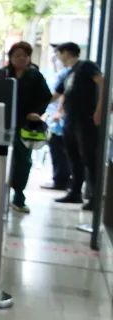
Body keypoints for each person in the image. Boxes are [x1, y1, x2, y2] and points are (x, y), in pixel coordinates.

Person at [0, 41, 51, 213]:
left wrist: (36, 112)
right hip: (2, 123)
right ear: (10, 57)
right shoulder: (1, 74)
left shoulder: (35, 76)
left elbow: (45, 96)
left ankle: (18, 196)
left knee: (23, 160)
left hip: (26, 124)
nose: (21, 59)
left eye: (25, 56)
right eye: (17, 55)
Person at [53, 42, 103, 209]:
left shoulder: (86, 66)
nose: (58, 57)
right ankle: (75, 192)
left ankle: (95, 197)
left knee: (89, 157)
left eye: (59, 53)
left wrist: (100, 110)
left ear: (66, 53)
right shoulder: (69, 73)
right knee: (74, 157)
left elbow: (102, 83)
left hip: (86, 119)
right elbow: (57, 94)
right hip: (70, 119)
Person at [43, 59, 73, 191]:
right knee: (57, 150)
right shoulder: (59, 74)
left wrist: (59, 111)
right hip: (55, 117)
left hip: (59, 119)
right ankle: (60, 179)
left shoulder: (66, 73)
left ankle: (61, 180)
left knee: (59, 150)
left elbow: (63, 94)